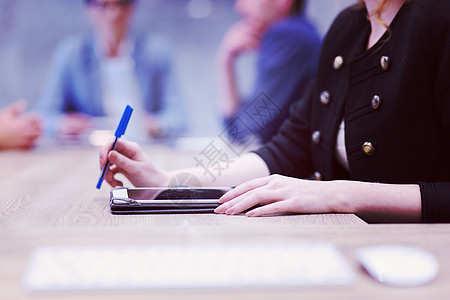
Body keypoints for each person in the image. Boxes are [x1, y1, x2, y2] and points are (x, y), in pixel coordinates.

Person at [100, 0, 450, 223]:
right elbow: (289, 147)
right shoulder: (349, 26)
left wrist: (336, 194)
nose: (239, 7)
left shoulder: (288, 37)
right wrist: (171, 183)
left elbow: (244, 128)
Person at [37, 0, 185, 141]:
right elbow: (44, 115)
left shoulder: (156, 51)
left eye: (121, 4)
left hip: (145, 148)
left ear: (132, 7)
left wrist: (155, 125)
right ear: (88, 10)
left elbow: (180, 117)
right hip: (86, 152)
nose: (113, 14)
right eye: (103, 5)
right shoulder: (72, 53)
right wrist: (61, 124)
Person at [217, 0, 321, 144]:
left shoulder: (287, 36)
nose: (239, 7)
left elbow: (245, 132)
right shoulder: (301, 32)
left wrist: (224, 60)